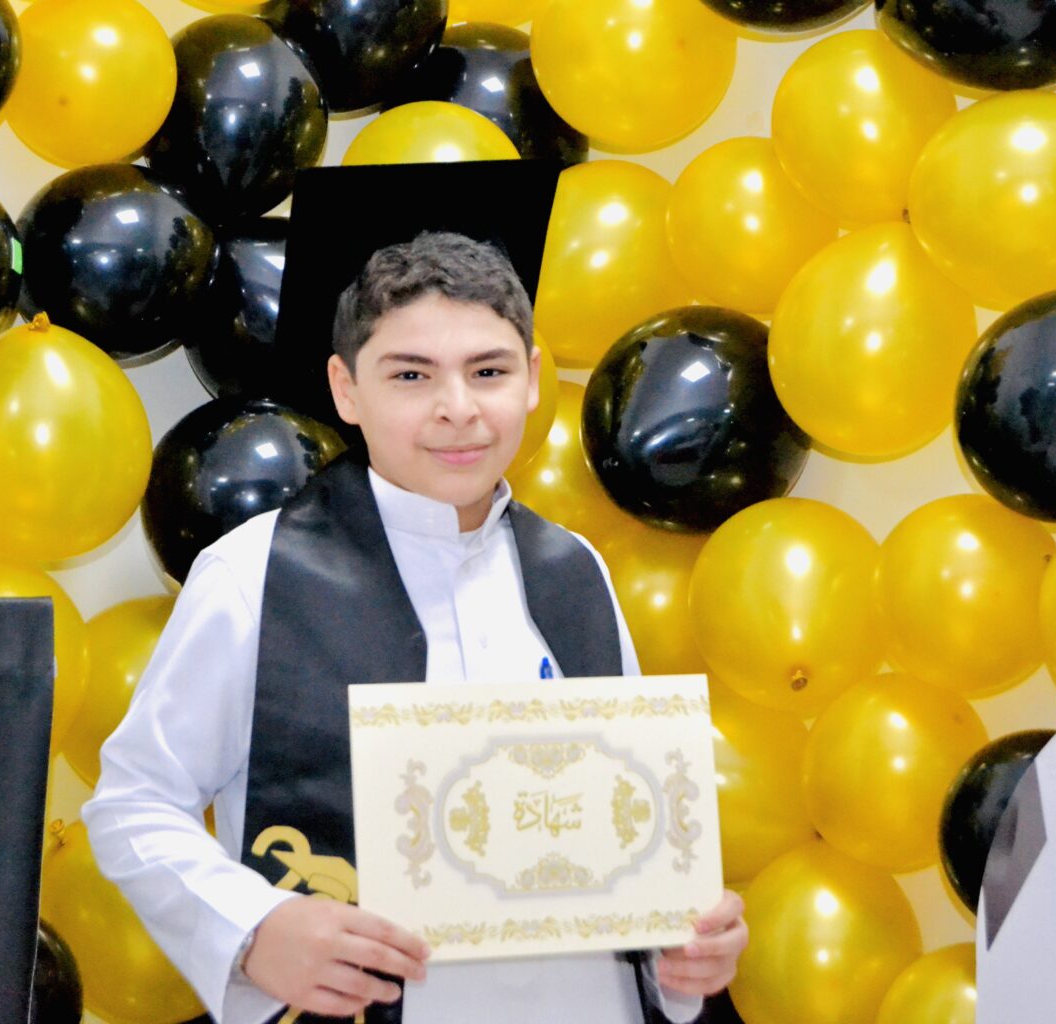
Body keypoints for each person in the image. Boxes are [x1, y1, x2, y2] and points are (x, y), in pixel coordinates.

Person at [82, 228, 747, 1024]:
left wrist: (686, 952)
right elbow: (136, 801)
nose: (458, 409)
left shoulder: (576, 572)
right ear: (346, 389)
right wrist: (255, 931)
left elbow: (629, 843)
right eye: (411, 375)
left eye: (489, 372)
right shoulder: (254, 575)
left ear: (533, 381)